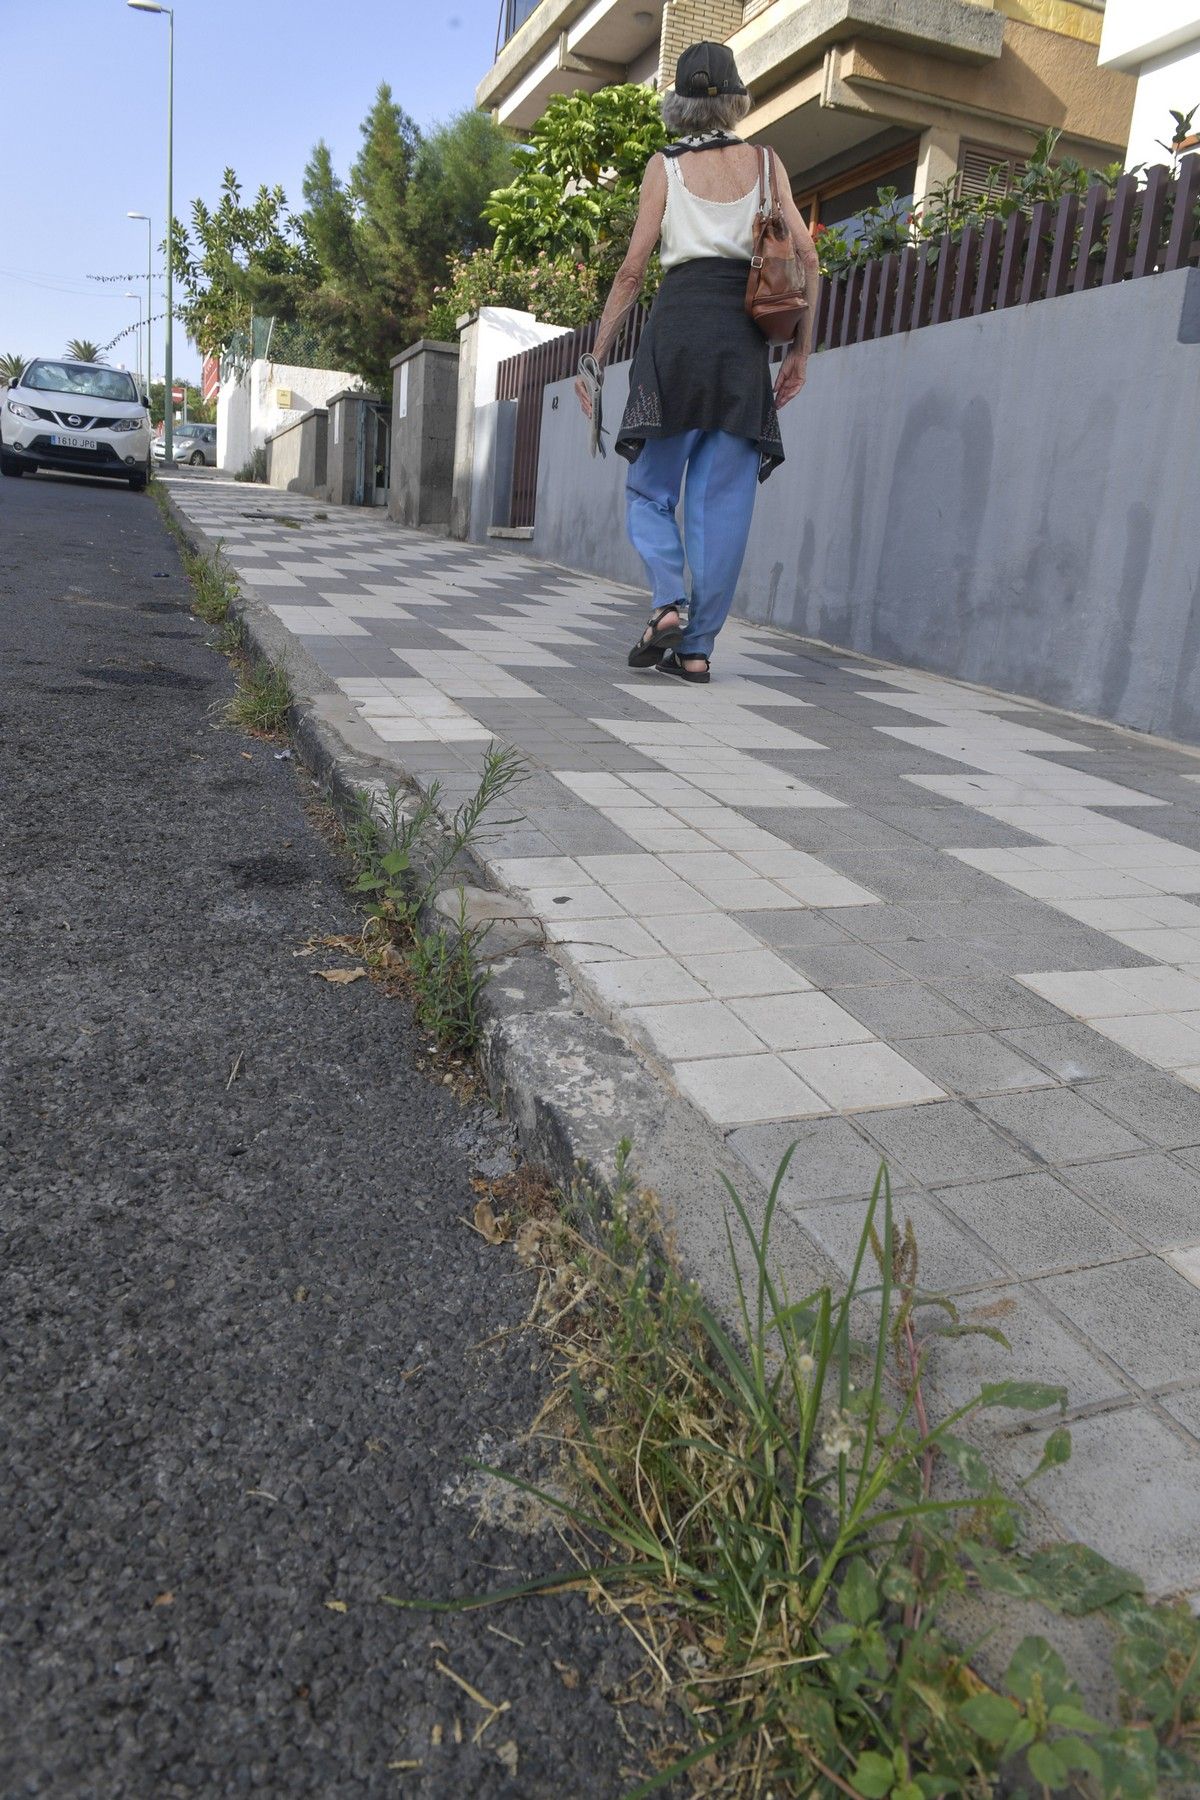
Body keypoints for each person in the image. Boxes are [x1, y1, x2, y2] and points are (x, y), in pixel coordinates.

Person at [575, 41, 819, 685]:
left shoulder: (665, 166)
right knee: (723, 508)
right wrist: (799, 351)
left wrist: (594, 360)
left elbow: (632, 271)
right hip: (743, 347)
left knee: (650, 490)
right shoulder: (768, 164)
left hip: (676, 341)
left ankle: (670, 603)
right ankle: (697, 650)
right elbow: (809, 260)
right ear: (737, 99)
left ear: (678, 104)